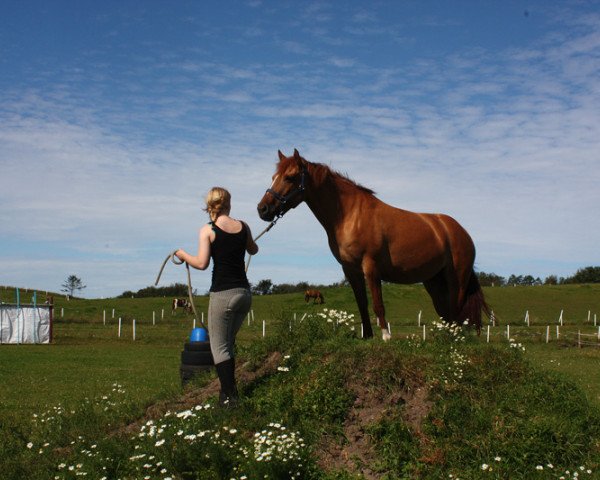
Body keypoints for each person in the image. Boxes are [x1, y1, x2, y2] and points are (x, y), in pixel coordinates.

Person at [175, 187, 258, 407]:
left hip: (223, 294)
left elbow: (201, 264)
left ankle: (230, 399)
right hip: (244, 294)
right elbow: (253, 250)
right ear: (229, 203)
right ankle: (226, 393)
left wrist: (182, 255)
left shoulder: (207, 230)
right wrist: (245, 241)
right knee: (227, 344)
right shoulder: (244, 226)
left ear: (210, 205)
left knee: (219, 347)